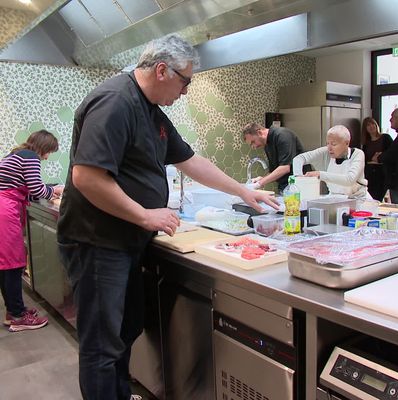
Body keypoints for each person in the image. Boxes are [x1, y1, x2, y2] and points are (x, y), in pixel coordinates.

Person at [56, 34, 277, 400]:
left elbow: (191, 162)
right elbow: (88, 177)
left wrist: (242, 190)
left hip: (124, 243)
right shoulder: (115, 102)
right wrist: (145, 215)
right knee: (101, 346)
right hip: (97, 242)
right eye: (185, 81)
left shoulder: (153, 114)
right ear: (162, 70)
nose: (186, 91)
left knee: (124, 333)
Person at [0, 130, 62, 332]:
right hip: (5, 210)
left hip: (4, 207)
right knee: (12, 264)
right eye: (48, 153)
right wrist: (56, 191)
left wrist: (50, 187)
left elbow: (27, 184)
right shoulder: (31, 157)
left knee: (6, 264)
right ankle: (18, 316)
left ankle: (14, 311)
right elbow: (37, 190)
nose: (46, 158)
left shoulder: (18, 155)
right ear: (43, 148)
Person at [292, 125, 369, 199]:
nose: (329, 148)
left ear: (347, 143)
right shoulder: (325, 152)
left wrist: (320, 174)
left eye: (334, 144)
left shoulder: (358, 154)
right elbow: (299, 158)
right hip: (333, 198)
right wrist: (298, 176)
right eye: (327, 143)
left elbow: (350, 180)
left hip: (358, 199)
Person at [242, 122, 306, 192]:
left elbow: (285, 168)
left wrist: (259, 183)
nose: (254, 147)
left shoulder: (282, 135)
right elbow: (274, 171)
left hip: (300, 185)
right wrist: (261, 179)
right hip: (286, 187)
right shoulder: (267, 145)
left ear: (259, 132)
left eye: (253, 142)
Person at [361, 117, 392, 201]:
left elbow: (391, 154)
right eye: (368, 125)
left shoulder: (385, 138)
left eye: (373, 124)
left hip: (382, 173)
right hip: (370, 174)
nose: (371, 126)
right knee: (370, 199)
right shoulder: (366, 143)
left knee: (378, 197)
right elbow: (365, 159)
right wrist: (373, 159)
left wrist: (379, 158)